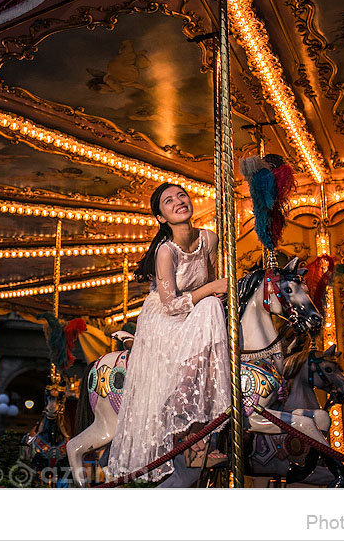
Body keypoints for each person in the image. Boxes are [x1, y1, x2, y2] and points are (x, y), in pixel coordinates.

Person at [105, 183, 230, 482]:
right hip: (165, 317)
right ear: (161, 218)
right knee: (211, 306)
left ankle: (201, 433)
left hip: (197, 312)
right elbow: (172, 304)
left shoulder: (209, 239)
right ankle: (182, 413)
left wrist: (217, 293)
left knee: (213, 308)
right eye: (168, 201)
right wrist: (212, 290)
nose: (178, 202)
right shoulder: (166, 251)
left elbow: (211, 281)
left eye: (181, 196)